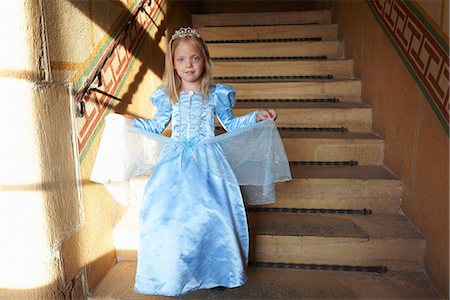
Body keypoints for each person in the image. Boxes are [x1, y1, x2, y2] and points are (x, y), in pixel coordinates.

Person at [91, 27, 291, 296]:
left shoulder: (216, 94)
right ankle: (171, 273)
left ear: (204, 60)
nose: (188, 65)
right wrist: (128, 122)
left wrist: (256, 117)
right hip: (174, 163)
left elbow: (231, 124)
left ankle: (220, 271)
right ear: (172, 64)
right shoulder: (168, 96)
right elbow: (155, 126)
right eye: (181, 59)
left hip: (209, 162)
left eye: (194, 58)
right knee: (167, 218)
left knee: (213, 216)